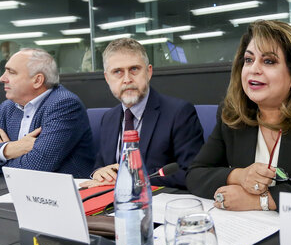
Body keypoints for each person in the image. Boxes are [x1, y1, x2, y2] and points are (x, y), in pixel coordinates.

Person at [186, 20, 291, 211]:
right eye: (249, 60)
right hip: (245, 229)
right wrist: (239, 175)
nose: (254, 69)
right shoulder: (232, 113)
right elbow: (195, 174)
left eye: (269, 61)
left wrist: (263, 201)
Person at [84, 38, 204, 188]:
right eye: (118, 72)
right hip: (112, 204)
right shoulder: (108, 118)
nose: (127, 79)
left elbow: (191, 172)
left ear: (149, 72)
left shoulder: (179, 113)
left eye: (134, 69)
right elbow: (101, 165)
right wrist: (98, 173)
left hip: (158, 202)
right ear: (107, 78)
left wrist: (130, 179)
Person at [0, 48, 95, 177]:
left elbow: (36, 166)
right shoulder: (8, 107)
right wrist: (10, 149)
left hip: (59, 192)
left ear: (37, 80)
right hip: (16, 188)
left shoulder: (64, 104)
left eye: (11, 72)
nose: (2, 78)